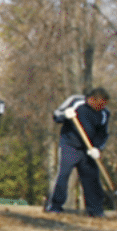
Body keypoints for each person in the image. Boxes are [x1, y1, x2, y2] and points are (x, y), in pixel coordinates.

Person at [45, 88, 111, 217]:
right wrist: (65, 115)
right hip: (69, 146)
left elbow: (103, 134)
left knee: (91, 178)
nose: (103, 107)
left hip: (88, 150)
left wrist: (97, 148)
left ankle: (95, 210)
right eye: (100, 104)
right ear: (92, 99)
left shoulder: (104, 113)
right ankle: (54, 206)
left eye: (105, 104)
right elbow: (56, 115)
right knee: (63, 175)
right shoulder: (76, 101)